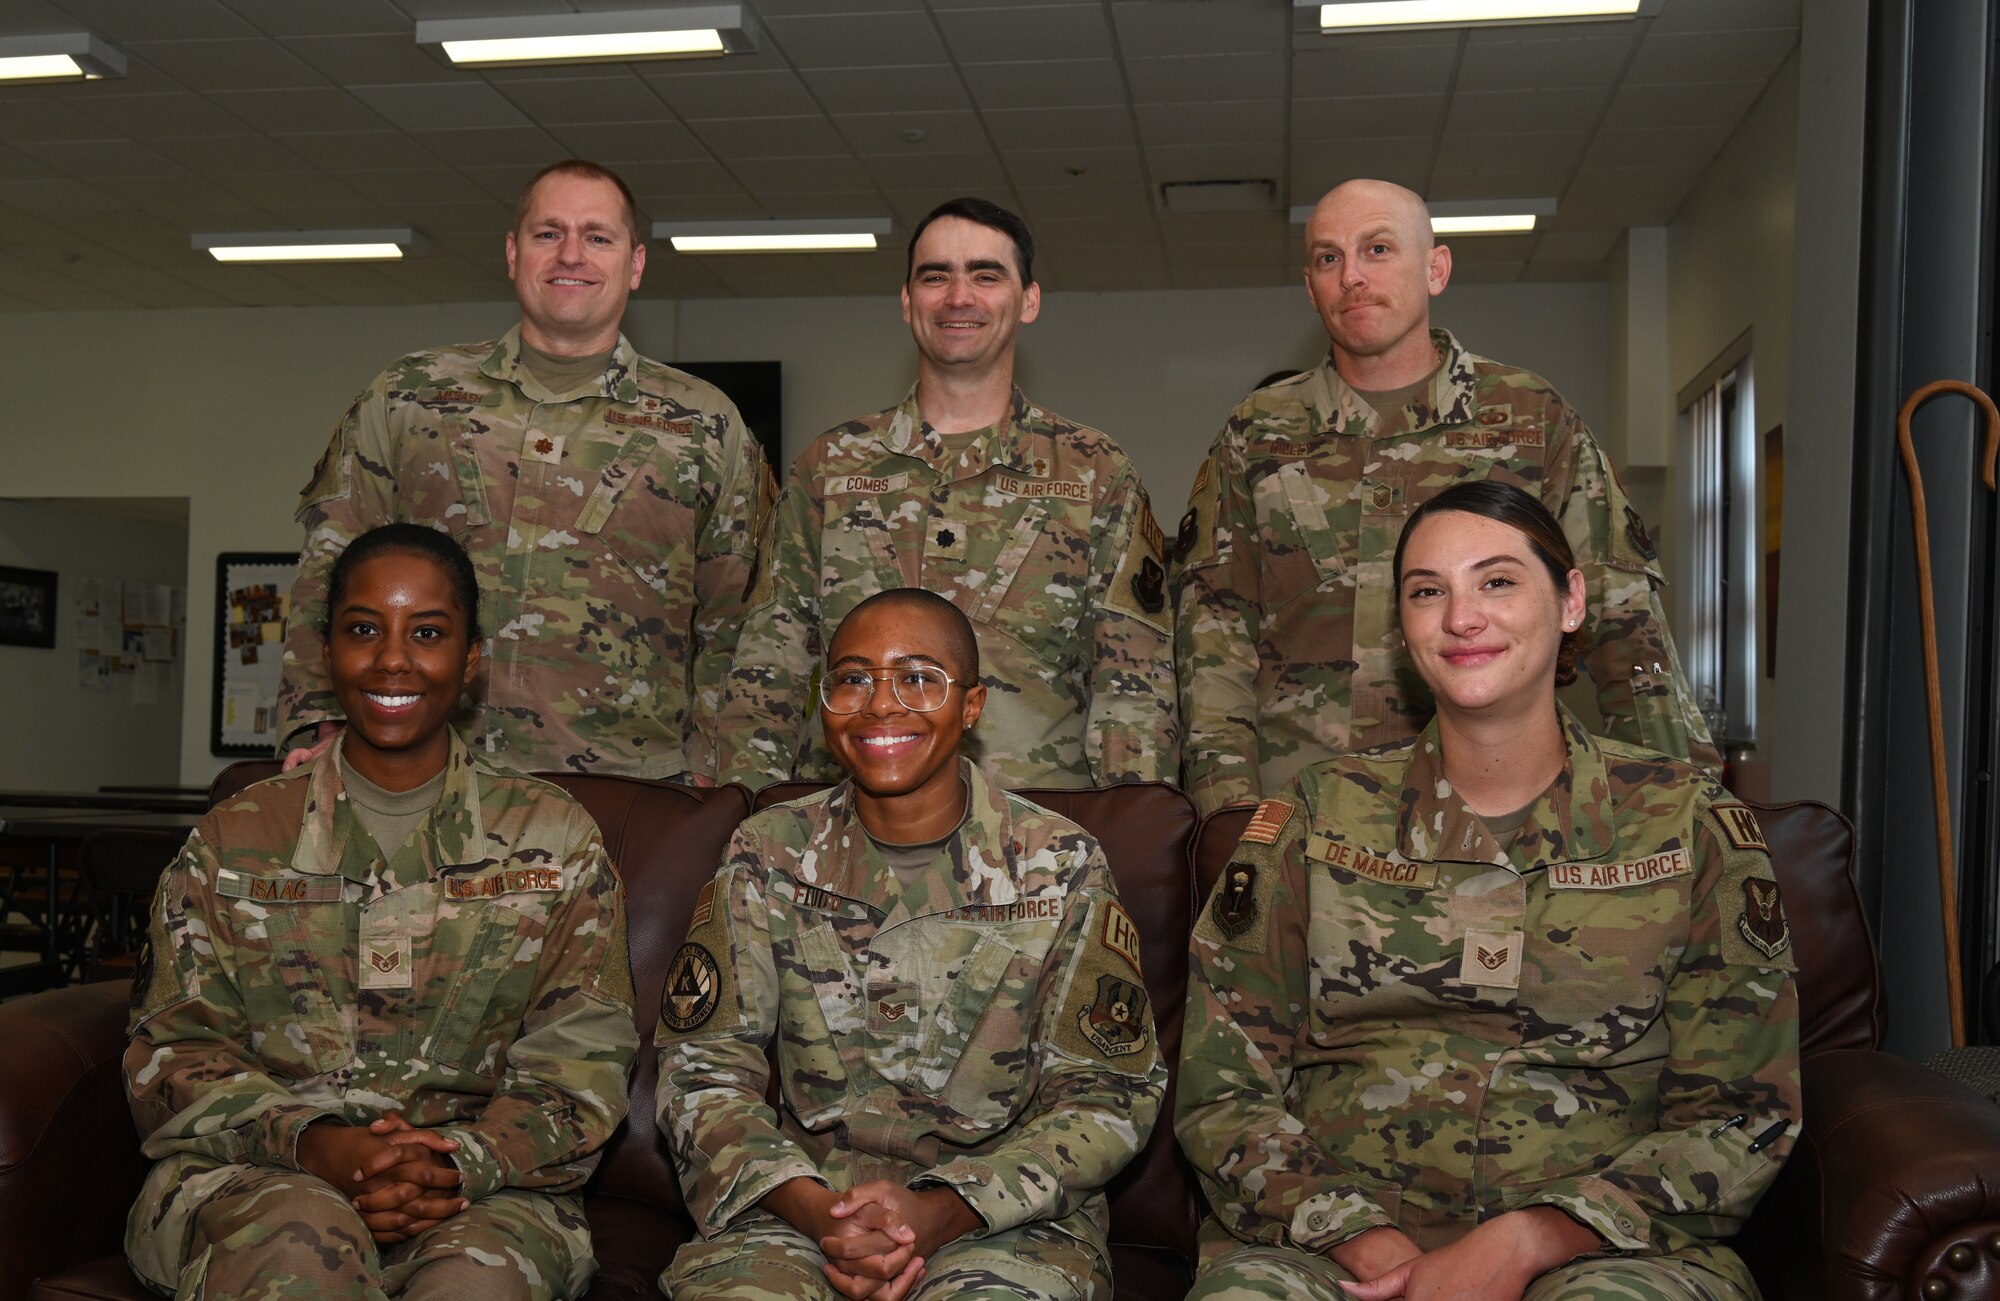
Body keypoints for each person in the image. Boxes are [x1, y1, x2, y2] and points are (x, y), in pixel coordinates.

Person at [1175, 480, 1799, 1301]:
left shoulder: (1690, 825)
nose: (1462, 617)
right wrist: (1367, 1241)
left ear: (1571, 600)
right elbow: (1223, 1091)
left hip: (1612, 1247)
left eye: (1497, 581)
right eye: (1427, 591)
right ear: (1403, 627)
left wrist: (1537, 1235)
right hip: (1326, 1247)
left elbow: (1741, 1110)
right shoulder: (1312, 816)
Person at [125, 523, 638, 1300]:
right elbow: (174, 1054)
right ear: (328, 651)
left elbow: (583, 1064)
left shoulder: (554, 840)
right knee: (303, 1253)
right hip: (259, 1180)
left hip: (484, 1192)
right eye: (363, 629)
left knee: (476, 1283)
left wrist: (455, 1160)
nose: (393, 658)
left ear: (471, 661)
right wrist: (319, 1146)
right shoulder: (236, 836)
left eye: (427, 633)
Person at [657, 588, 1165, 1301]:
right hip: (798, 1210)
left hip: (1003, 1224)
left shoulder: (1061, 863)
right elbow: (702, 1071)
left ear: (973, 705)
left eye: (919, 677)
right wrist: (821, 1212)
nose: (880, 704)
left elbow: (1108, 1094)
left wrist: (942, 1210)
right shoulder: (769, 851)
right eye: (852, 678)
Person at [1172, 178, 1718, 818]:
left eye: (1377, 250)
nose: (1351, 276)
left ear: (1436, 268)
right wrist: (1228, 814)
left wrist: (1684, 807)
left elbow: (1623, 623)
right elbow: (1213, 641)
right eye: (1328, 258)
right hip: (1306, 811)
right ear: (1310, 285)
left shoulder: (1530, 419)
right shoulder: (1257, 433)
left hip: (1503, 807)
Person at [276, 158, 773, 781]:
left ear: (635, 264)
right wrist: (319, 715)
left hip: (628, 791)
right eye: (548, 234)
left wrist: (724, 774)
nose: (571, 255)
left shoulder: (705, 423)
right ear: (514, 253)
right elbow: (330, 567)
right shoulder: (410, 396)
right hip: (424, 777)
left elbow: (742, 620)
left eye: (597, 237)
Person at [714, 197, 1177, 793]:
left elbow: (1133, 684)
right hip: (845, 837)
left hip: (1038, 843)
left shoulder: (1094, 473)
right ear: (908, 301)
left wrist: (1131, 829)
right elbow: (767, 667)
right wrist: (746, 813)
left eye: (986, 275)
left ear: (1029, 300)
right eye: (936, 276)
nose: (959, 296)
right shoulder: (829, 467)